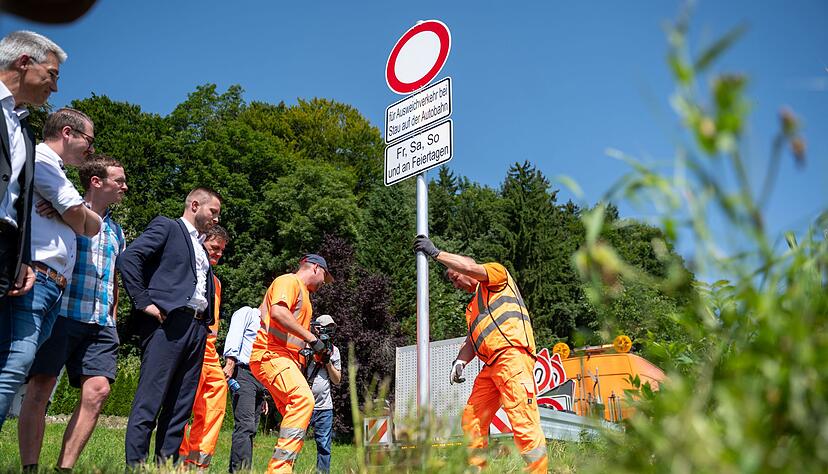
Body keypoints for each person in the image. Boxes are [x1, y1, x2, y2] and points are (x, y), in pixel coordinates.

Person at [18, 155, 127, 471]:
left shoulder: (117, 232)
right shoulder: (61, 211)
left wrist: (114, 317)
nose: (125, 186)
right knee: (41, 385)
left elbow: (114, 278)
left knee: (99, 391)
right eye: (118, 180)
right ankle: (29, 467)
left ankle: (64, 468)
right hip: (63, 313)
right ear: (97, 181)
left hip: (101, 322)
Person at [0, 106, 101, 429]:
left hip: (53, 287)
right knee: (15, 364)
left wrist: (68, 213)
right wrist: (72, 214)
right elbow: (78, 217)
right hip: (36, 279)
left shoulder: (56, 170)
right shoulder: (42, 159)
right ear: (68, 133)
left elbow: (92, 224)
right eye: (89, 140)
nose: (91, 149)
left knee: (18, 366)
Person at [413, 235, 548, 474]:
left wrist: (436, 253)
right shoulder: (472, 308)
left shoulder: (496, 275)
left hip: (512, 357)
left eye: (455, 277)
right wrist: (460, 361)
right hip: (491, 367)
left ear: (465, 266)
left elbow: (472, 269)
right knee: (472, 418)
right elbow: (472, 342)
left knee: (522, 421)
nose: (455, 285)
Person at [117, 187, 222, 466]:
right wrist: (144, 302)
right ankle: (136, 468)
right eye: (213, 212)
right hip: (168, 324)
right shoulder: (168, 227)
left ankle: (165, 469)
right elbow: (129, 259)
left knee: (180, 407)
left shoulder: (201, 245)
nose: (216, 219)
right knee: (150, 402)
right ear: (195, 205)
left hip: (198, 329)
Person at [250, 254, 333, 474]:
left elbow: (277, 322)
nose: (324, 283)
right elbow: (277, 312)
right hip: (271, 354)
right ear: (315, 267)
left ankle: (284, 468)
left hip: (283, 358)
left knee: (295, 415)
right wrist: (312, 338)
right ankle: (279, 470)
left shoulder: (304, 296)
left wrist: (315, 349)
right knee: (303, 400)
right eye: (325, 276)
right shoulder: (289, 281)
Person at [0, 30, 65, 301]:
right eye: (52, 74)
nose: (55, 87)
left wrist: (22, 258)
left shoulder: (24, 127)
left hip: (6, 249)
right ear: (24, 62)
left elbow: (20, 199)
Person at [179, 224, 229, 469]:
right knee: (184, 402)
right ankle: (177, 457)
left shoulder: (217, 283)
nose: (218, 253)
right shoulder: (191, 272)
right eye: (214, 248)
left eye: (221, 250)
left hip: (210, 352)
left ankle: (198, 461)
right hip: (192, 346)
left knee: (215, 403)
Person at [224, 305, 269, 473]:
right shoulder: (247, 313)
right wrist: (230, 363)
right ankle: (239, 471)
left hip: (259, 379)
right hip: (243, 373)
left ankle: (243, 469)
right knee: (244, 426)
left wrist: (264, 395)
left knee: (252, 428)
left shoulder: (268, 326)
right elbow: (234, 336)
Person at [304, 314, 341, 474]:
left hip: (324, 407)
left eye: (330, 328)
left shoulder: (334, 350)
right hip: (304, 404)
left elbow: (337, 379)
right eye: (325, 327)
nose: (327, 332)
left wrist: (327, 362)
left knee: (324, 446)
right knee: (293, 441)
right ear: (316, 328)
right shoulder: (305, 344)